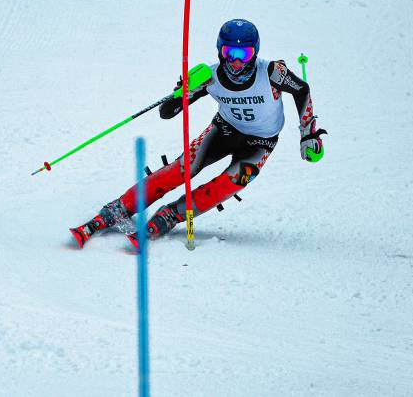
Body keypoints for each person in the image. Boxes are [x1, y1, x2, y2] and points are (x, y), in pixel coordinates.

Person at [69, 19, 326, 249]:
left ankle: (172, 214)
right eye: (230, 53)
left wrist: (308, 133)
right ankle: (121, 206)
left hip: (261, 141)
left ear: (255, 52)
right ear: (220, 51)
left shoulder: (271, 72)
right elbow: (167, 112)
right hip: (224, 130)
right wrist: (182, 93)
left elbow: (302, 90)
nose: (237, 61)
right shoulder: (209, 76)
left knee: (231, 182)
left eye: (244, 53)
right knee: (184, 168)